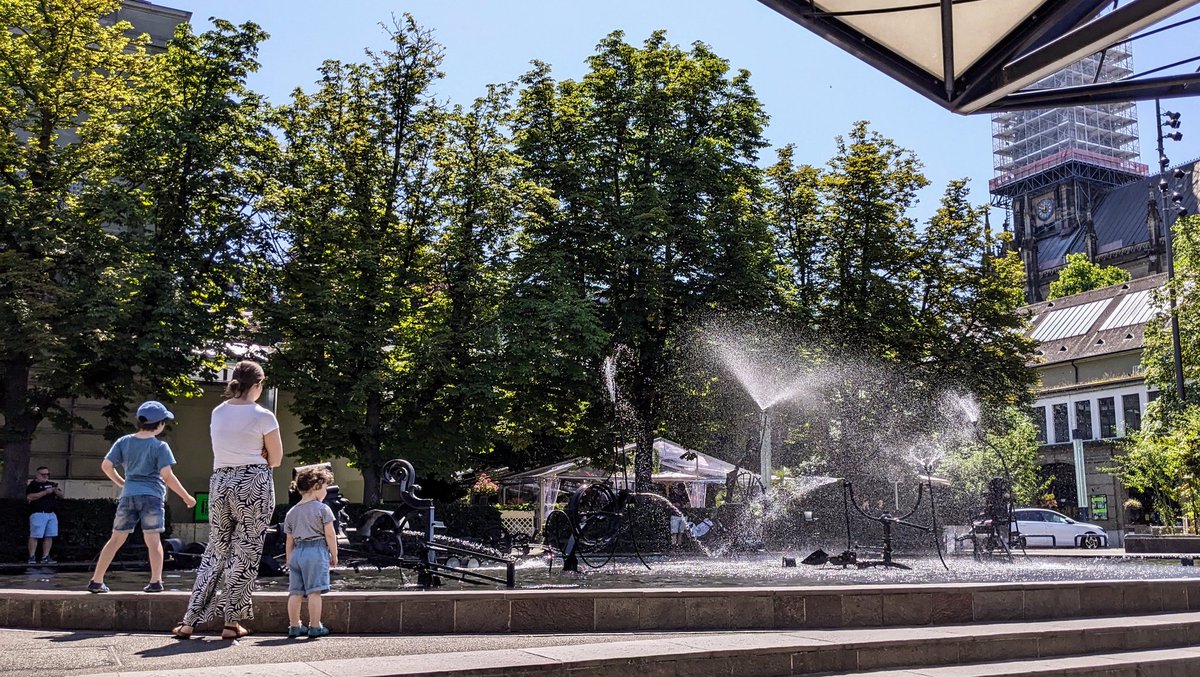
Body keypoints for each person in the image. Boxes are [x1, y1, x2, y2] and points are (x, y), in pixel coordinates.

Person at [173, 360, 282, 640]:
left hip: (221, 481)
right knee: (245, 554)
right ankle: (231, 623)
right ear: (257, 385)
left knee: (216, 551)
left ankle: (189, 621)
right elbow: (277, 459)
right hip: (253, 483)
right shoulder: (263, 415)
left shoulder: (218, 412)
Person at [87, 401, 197, 593]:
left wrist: (122, 482)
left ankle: (96, 581)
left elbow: (106, 465)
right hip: (152, 497)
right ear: (160, 424)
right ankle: (155, 582)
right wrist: (186, 497)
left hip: (128, 495)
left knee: (115, 539)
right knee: (153, 541)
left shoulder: (123, 442)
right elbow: (167, 476)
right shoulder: (160, 446)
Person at [284, 465, 338, 638]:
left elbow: (289, 540)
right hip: (315, 551)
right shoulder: (322, 509)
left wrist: (288, 559)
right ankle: (315, 626)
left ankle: (294, 626)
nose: (325, 492)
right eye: (324, 487)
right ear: (316, 486)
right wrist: (334, 554)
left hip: (297, 553)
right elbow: (330, 534)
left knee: (295, 592)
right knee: (314, 592)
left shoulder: (291, 512)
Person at [26, 467, 63, 564]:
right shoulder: (33, 485)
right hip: (38, 513)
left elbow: (61, 495)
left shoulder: (51, 484)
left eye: (47, 474)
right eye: (43, 474)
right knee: (35, 535)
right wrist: (45, 492)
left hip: (51, 513)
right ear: (37, 475)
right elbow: (30, 496)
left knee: (49, 535)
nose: (45, 476)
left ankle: (45, 556)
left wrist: (56, 491)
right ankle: (32, 556)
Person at [668, 482, 690, 547]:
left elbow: (689, 504)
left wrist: (686, 505)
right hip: (675, 516)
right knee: (674, 532)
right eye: (680, 490)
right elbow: (668, 504)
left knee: (681, 532)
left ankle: (679, 545)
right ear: (677, 489)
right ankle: (673, 545)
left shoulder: (685, 495)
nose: (681, 492)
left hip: (683, 515)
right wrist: (675, 504)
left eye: (682, 490)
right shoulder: (672, 495)